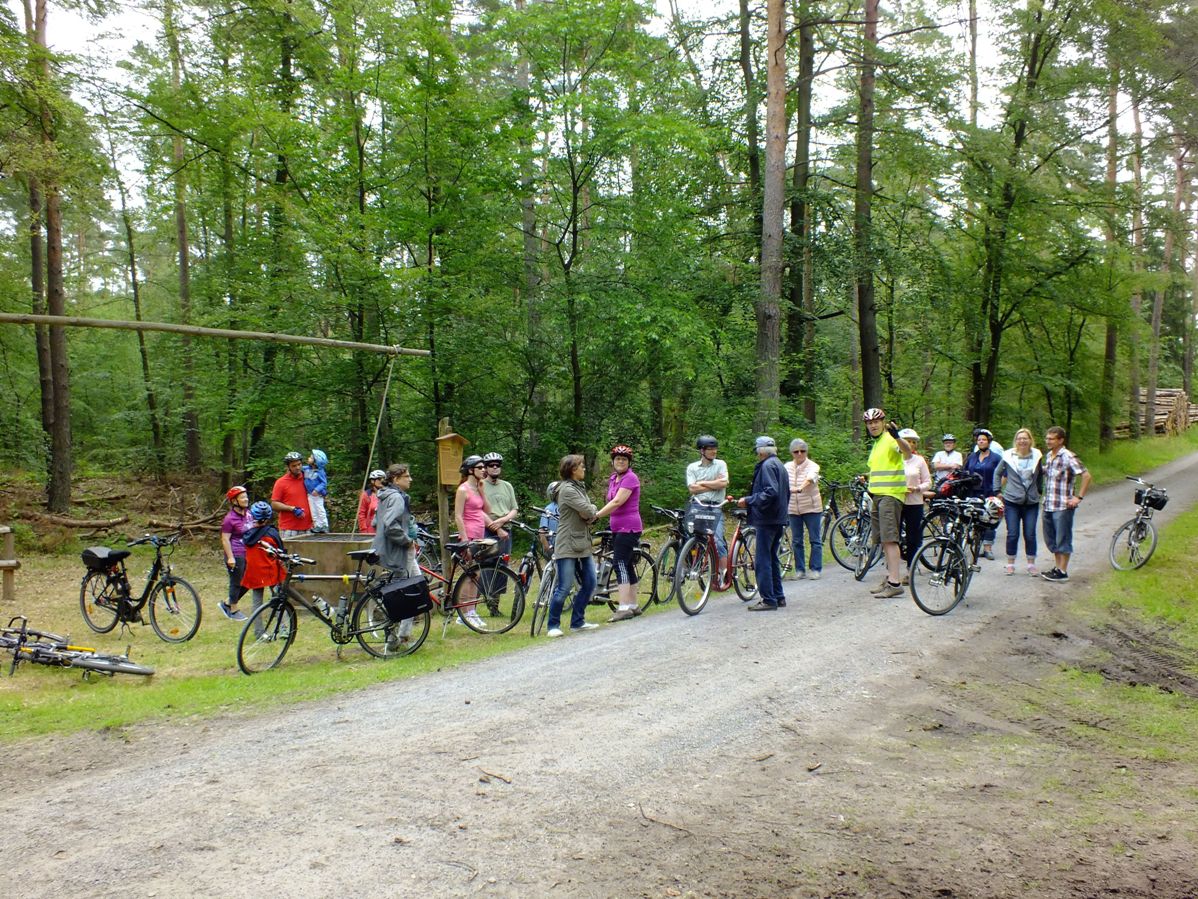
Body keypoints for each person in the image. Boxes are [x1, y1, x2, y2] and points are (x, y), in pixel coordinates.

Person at [546, 455, 600, 637]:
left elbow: (587, 512)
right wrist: (590, 510)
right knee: (565, 586)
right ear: (572, 469)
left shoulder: (579, 487)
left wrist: (589, 511)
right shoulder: (567, 490)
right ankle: (552, 625)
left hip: (582, 542)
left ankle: (578, 621)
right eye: (581, 466)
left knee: (591, 582)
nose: (584, 468)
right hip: (567, 543)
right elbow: (587, 510)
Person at [862, 408, 913, 599]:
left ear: (883, 423)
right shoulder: (877, 444)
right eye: (869, 423)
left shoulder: (890, 440)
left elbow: (907, 453)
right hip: (878, 495)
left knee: (890, 539)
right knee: (883, 539)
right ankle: (890, 576)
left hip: (890, 496)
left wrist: (898, 436)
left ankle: (895, 582)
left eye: (876, 422)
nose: (873, 425)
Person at [737, 436, 790, 610]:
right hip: (778, 518)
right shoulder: (780, 465)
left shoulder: (767, 466)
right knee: (772, 557)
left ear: (761, 451)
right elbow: (785, 493)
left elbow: (770, 492)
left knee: (763, 559)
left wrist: (749, 500)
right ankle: (778, 596)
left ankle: (768, 599)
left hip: (767, 519)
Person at [370, 463, 419, 646]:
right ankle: (392, 633)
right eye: (407, 476)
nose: (411, 479)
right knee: (409, 592)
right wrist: (406, 539)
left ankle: (403, 635)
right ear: (396, 479)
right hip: (400, 551)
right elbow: (390, 525)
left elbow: (376, 522)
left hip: (390, 550)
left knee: (415, 588)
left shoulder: (385, 496)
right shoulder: (397, 498)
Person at [595, 444, 644, 622]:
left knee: (620, 563)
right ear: (613, 461)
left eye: (624, 459)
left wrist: (597, 515)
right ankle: (633, 605)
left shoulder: (630, 478)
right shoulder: (613, 478)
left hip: (628, 527)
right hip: (617, 527)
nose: (620, 462)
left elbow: (617, 502)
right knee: (628, 564)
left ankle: (623, 607)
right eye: (617, 459)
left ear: (629, 462)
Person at [1040, 426, 1091, 582]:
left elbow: (1086, 475)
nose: (1048, 441)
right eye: (1047, 438)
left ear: (1061, 440)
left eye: (1051, 439)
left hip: (1063, 505)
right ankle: (1057, 568)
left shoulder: (1068, 456)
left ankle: (1063, 571)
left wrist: (1078, 497)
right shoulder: (1049, 456)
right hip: (1048, 503)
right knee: (1052, 539)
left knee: (1063, 538)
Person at [453, 454, 497, 628]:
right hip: (469, 535)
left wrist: (482, 490)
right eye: (480, 468)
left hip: (480, 535)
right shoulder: (462, 490)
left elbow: (488, 509)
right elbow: (457, 515)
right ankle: (463, 613)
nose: (484, 470)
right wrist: (465, 540)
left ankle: (472, 611)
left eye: (483, 467)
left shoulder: (478, 487)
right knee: (468, 576)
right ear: (471, 470)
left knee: (476, 575)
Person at [994, 428, 1044, 576]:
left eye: (1025, 438)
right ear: (1016, 441)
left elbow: (1040, 474)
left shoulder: (1037, 455)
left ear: (1030, 440)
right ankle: (1010, 563)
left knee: (1030, 533)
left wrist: (1039, 490)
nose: (1022, 441)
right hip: (1012, 501)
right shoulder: (1008, 455)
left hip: (1031, 502)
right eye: (1019, 438)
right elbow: (997, 473)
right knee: (1013, 533)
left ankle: (1031, 564)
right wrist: (997, 491)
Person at [241, 501, 286, 636]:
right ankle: (283, 628)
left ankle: (259, 632)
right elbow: (280, 551)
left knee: (257, 603)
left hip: (255, 572)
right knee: (278, 598)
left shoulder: (247, 535)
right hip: (271, 571)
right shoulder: (272, 533)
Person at [686, 435, 729, 565]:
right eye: (710, 449)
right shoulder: (692, 467)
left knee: (718, 541)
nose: (714, 451)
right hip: (697, 505)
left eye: (715, 448)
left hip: (715, 506)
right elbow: (692, 489)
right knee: (690, 537)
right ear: (702, 451)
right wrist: (714, 484)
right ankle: (685, 570)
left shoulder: (721, 464)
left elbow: (723, 483)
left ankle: (723, 574)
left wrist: (702, 483)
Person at [784, 438, 822, 580]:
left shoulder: (813, 466)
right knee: (797, 540)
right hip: (793, 508)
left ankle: (815, 568)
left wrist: (800, 488)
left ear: (806, 451)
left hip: (811, 507)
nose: (799, 454)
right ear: (792, 453)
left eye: (802, 451)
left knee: (815, 539)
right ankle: (800, 569)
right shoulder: (787, 466)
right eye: (796, 451)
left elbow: (811, 478)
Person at [964, 429, 1002, 559]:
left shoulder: (996, 458)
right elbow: (965, 472)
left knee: (990, 520)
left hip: (989, 492)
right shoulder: (972, 457)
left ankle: (988, 549)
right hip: (973, 492)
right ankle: (976, 546)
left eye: (984, 439)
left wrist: (997, 489)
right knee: (975, 519)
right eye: (979, 439)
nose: (981, 441)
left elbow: (1004, 474)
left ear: (989, 442)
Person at [899, 429, 932, 575]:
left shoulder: (919, 460)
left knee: (913, 537)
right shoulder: (894, 459)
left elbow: (928, 482)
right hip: (896, 501)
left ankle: (910, 568)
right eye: (907, 441)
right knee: (893, 536)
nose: (910, 444)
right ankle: (892, 569)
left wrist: (917, 488)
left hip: (914, 502)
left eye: (913, 442)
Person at [218, 485, 251, 620]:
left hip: (248, 552)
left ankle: (227, 603)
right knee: (236, 581)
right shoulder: (229, 519)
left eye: (246, 496)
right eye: (242, 497)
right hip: (236, 553)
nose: (246, 499)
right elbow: (225, 539)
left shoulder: (249, 514)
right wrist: (230, 558)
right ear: (234, 501)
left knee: (248, 581)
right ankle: (233, 609)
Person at [481, 452, 519, 557]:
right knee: (487, 564)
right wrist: (496, 528)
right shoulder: (480, 485)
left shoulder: (507, 485)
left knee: (503, 564)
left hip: (506, 529)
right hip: (487, 530)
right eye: (491, 465)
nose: (495, 467)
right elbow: (478, 510)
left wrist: (503, 520)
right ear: (486, 468)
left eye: (497, 465)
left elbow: (514, 509)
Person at [271, 451, 311, 539]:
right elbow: (274, 504)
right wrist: (292, 508)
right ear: (288, 466)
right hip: (289, 528)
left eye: (299, 464)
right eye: (294, 466)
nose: (297, 467)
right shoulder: (281, 482)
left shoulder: (308, 479)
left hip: (309, 527)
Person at [303, 449, 330, 534]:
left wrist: (317, 489)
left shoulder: (320, 472)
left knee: (320, 509)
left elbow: (323, 483)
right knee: (313, 510)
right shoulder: (306, 469)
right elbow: (299, 468)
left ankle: (324, 525)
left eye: (311, 457)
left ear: (316, 461)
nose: (308, 458)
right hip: (310, 494)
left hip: (317, 495)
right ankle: (317, 525)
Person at [356, 469, 387, 535]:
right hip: (370, 529)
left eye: (383, 479)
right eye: (379, 479)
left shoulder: (387, 494)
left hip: (385, 529)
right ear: (372, 481)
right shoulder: (366, 495)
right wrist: (363, 530)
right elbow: (361, 514)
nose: (382, 481)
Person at [539, 482, 560, 556]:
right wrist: (546, 546)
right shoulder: (548, 509)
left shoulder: (568, 506)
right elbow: (542, 531)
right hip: (552, 546)